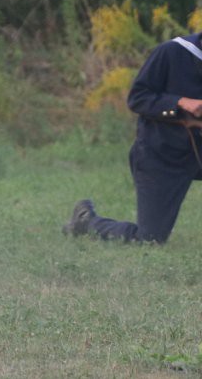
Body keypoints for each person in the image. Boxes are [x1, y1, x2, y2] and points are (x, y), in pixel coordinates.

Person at [64, 33, 202, 243]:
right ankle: (86, 222)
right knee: (150, 239)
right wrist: (180, 103)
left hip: (197, 153)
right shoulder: (172, 52)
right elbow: (138, 98)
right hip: (161, 156)